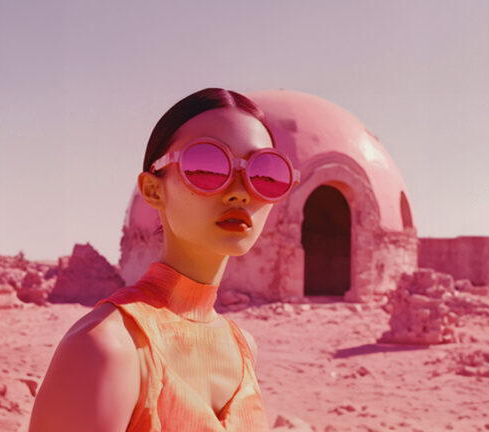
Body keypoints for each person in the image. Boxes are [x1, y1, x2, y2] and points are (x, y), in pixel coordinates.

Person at [28, 88, 301, 431]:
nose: (240, 191)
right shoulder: (105, 349)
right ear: (154, 190)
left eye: (265, 173)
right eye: (207, 166)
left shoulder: (244, 348)